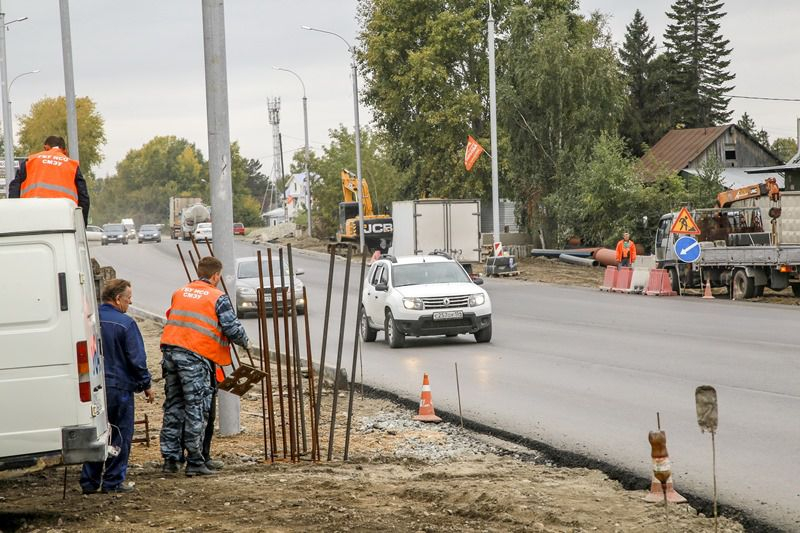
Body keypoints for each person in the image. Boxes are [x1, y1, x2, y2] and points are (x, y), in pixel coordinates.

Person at [159, 256, 250, 477]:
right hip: (194, 357)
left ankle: (171, 460)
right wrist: (246, 342)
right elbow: (232, 328)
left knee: (174, 406)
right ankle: (195, 462)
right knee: (196, 408)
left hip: (170, 353)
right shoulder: (218, 297)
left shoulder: (180, 292)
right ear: (216, 276)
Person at [80, 279, 154, 494]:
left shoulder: (88, 319)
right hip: (119, 387)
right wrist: (146, 384)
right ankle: (113, 481)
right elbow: (136, 358)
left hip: (93, 386)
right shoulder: (125, 323)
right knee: (120, 434)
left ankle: (89, 482)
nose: (130, 302)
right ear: (118, 298)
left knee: (96, 434)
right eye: (129, 298)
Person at [8, 135, 90, 225]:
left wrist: (14, 218)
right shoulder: (71, 165)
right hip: (64, 220)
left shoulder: (31, 161)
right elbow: (84, 197)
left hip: (31, 216)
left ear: (46, 147)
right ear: (64, 151)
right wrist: (82, 224)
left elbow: (14, 189)